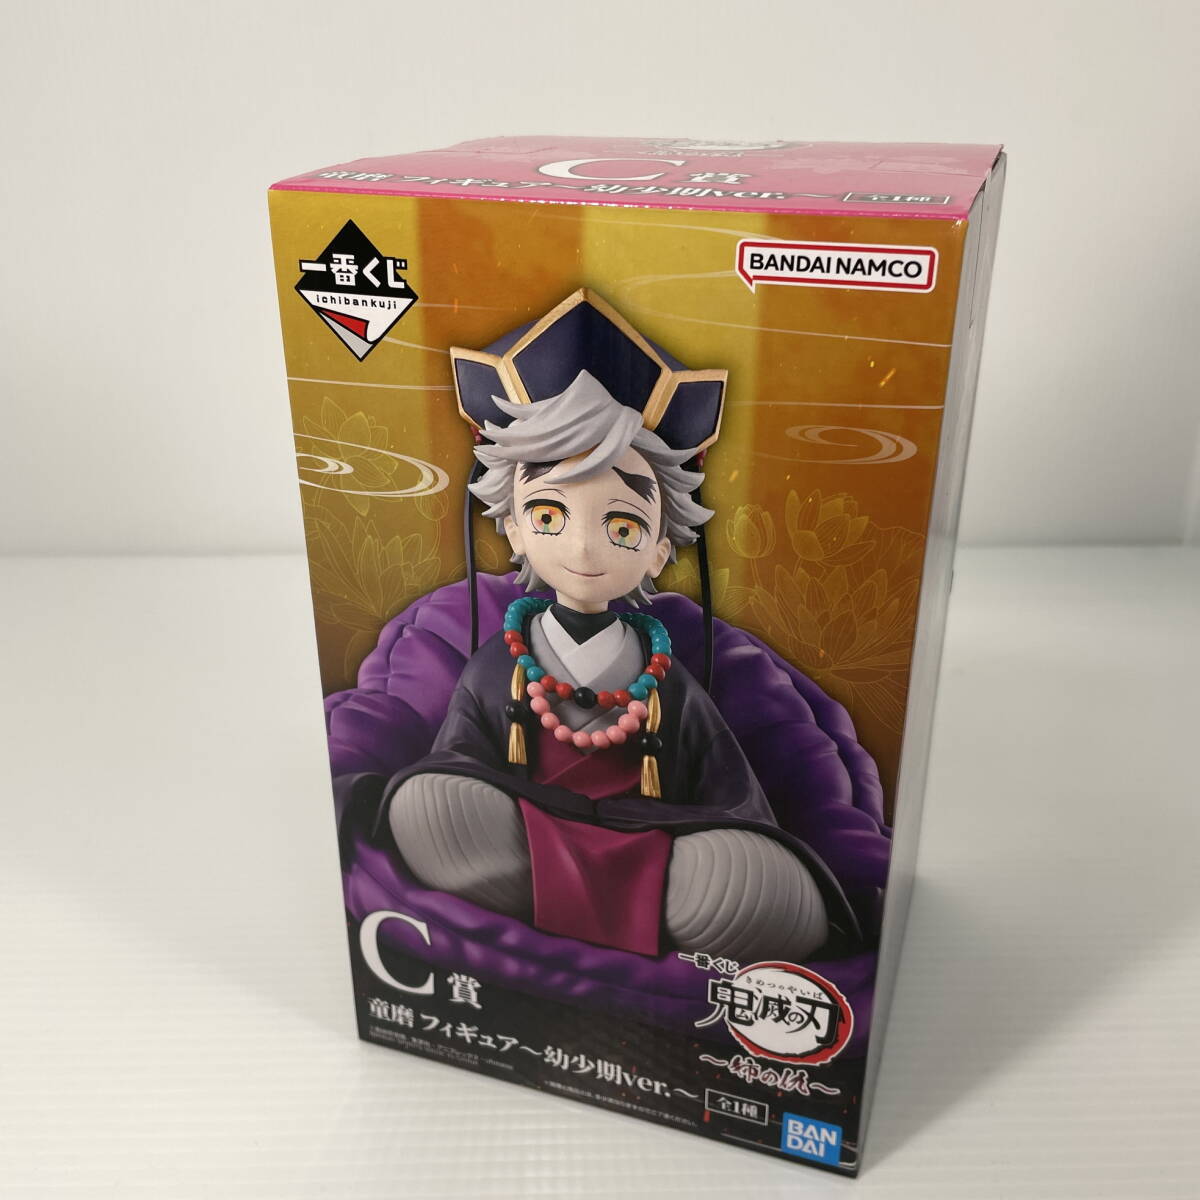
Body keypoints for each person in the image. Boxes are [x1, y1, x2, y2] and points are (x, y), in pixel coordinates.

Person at [383, 291, 857, 964]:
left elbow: (730, 796)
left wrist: (739, 848)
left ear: (661, 549)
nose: (582, 547)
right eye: (549, 516)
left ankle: (567, 906)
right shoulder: (501, 662)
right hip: (526, 827)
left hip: (653, 848)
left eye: (623, 524)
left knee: (755, 879)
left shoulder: (665, 674)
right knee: (428, 803)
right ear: (512, 526)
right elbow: (461, 760)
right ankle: (565, 900)